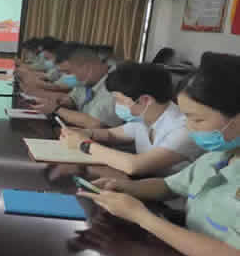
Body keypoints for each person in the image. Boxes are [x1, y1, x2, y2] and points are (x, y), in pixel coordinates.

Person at [78, 52, 240, 256]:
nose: (189, 128)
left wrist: (142, 217)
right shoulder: (217, 156)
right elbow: (169, 186)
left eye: (197, 119)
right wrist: (124, 187)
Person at [61, 62, 204, 177]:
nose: (117, 105)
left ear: (145, 100)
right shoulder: (144, 118)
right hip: (143, 185)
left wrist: (84, 144)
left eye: (120, 100)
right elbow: (111, 134)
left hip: (172, 200)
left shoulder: (184, 129)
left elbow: (134, 165)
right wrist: (85, 133)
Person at [32, 46, 123, 129]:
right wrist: (58, 102)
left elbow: (95, 124)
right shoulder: (88, 80)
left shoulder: (116, 83)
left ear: (87, 67)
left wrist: (57, 109)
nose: (66, 76)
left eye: (68, 72)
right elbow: (73, 100)